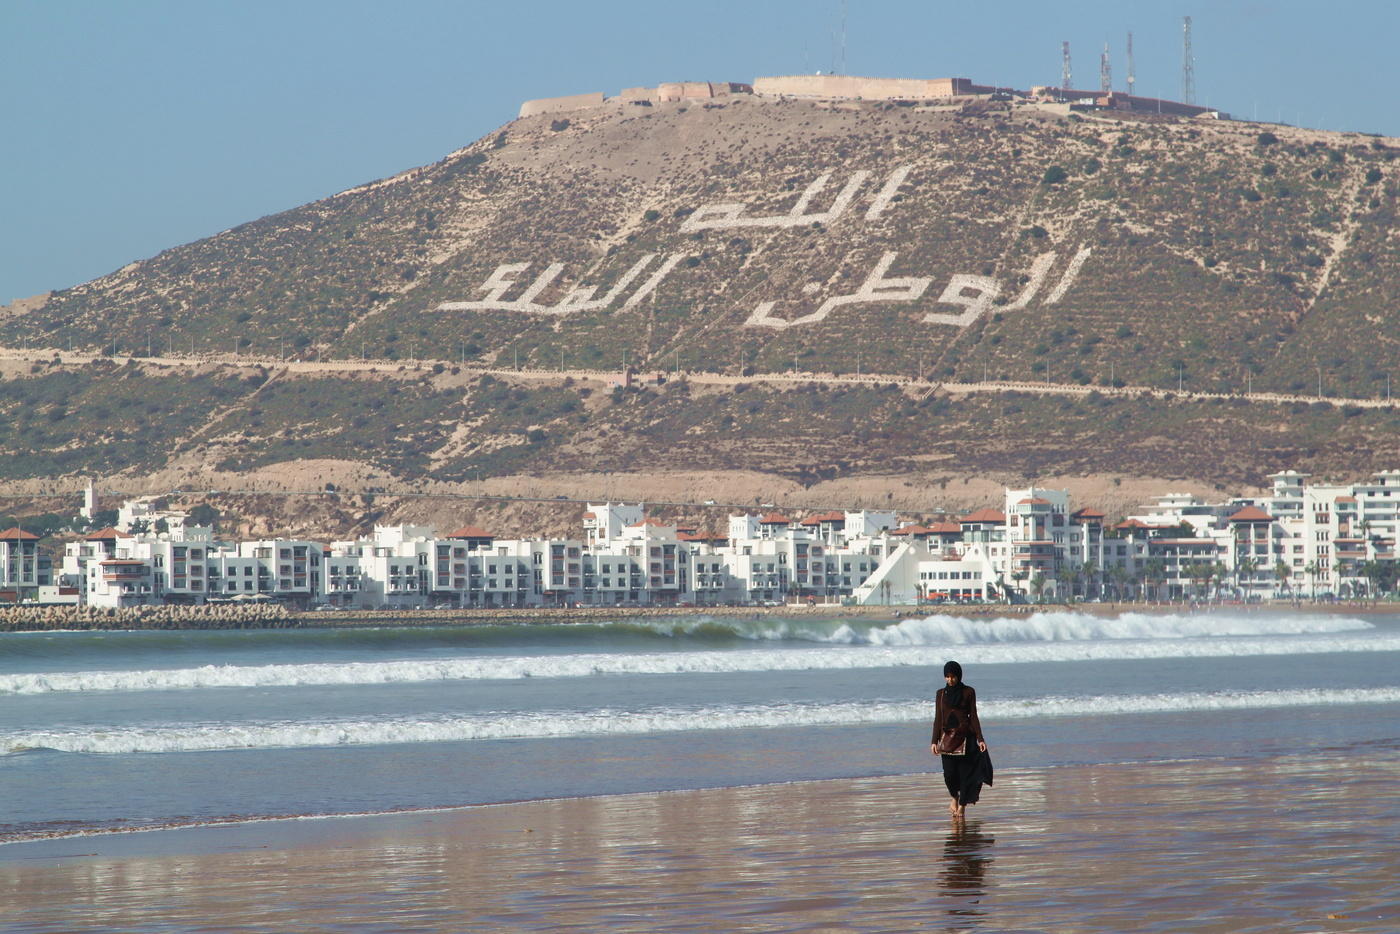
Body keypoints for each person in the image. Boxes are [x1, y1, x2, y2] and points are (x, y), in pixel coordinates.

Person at [930, 660, 991, 819]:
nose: (950, 680)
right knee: (949, 775)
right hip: (947, 741)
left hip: (966, 740)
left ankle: (962, 806)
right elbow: (938, 718)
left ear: (959, 676)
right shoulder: (940, 694)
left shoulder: (968, 692)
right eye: (947, 677)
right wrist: (934, 741)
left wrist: (980, 738)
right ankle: (954, 798)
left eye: (953, 676)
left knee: (965, 776)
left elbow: (974, 716)